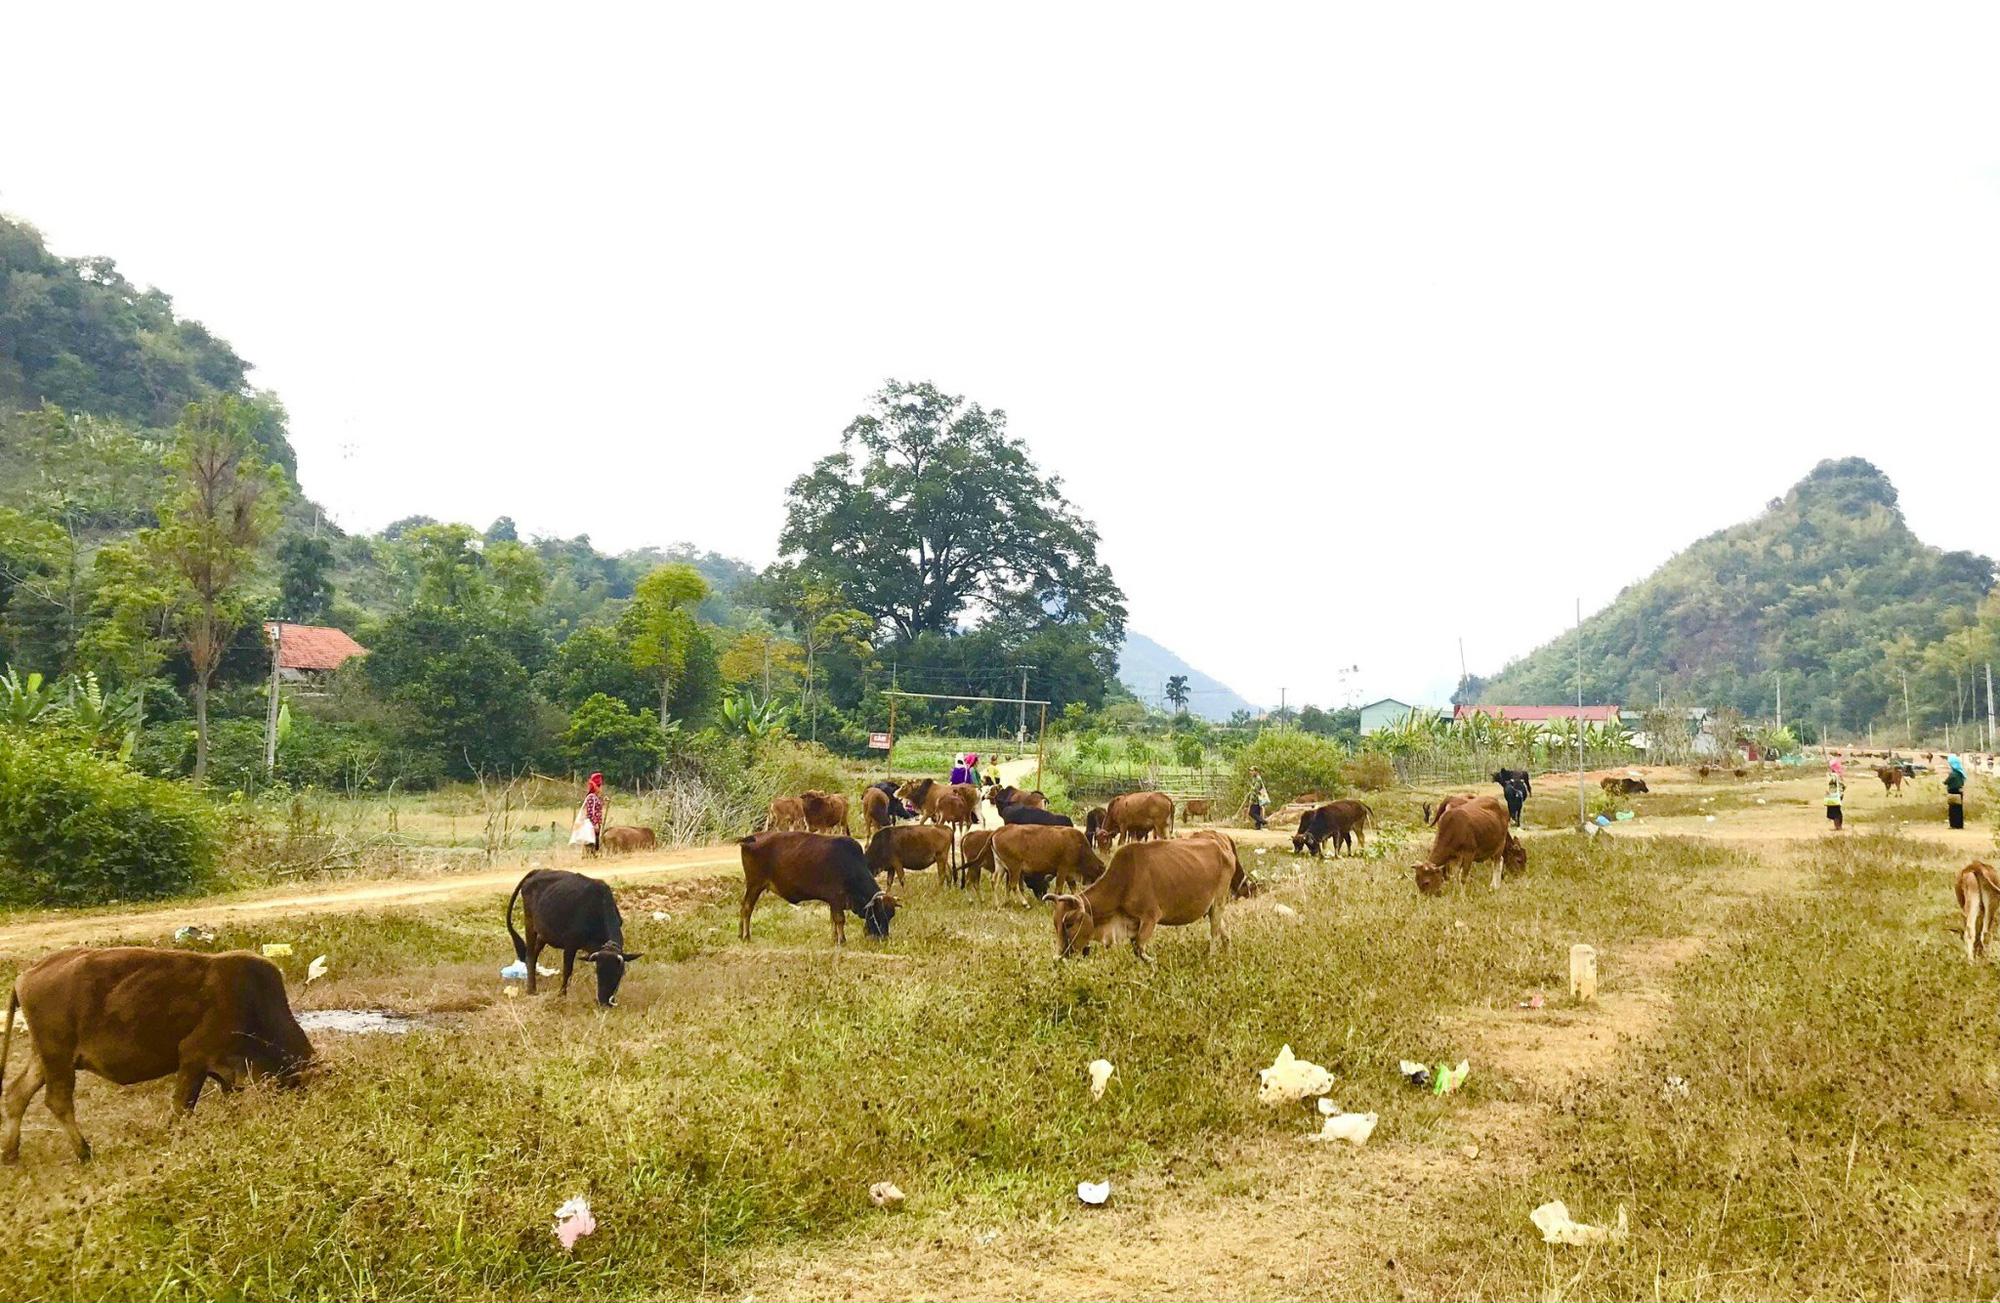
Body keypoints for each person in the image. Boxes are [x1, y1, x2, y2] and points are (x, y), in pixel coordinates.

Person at [580, 771, 607, 855]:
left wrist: (603, 801)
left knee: (595, 841)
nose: (601, 788)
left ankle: (593, 855)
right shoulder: (591, 797)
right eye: (600, 786)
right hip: (591, 824)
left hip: (596, 824)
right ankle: (589, 856)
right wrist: (595, 824)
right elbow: (591, 812)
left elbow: (597, 808)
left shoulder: (595, 797)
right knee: (591, 841)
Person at [1946, 754, 1967, 830]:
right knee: (1959, 809)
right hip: (1959, 792)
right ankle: (1959, 825)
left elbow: (1946, 782)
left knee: (1952, 809)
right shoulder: (1961, 773)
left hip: (1952, 792)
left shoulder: (1953, 774)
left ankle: (1953, 825)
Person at [1824, 761, 1845, 832]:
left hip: (1836, 795)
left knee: (1836, 810)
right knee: (1834, 809)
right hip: (1833, 795)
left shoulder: (1836, 776)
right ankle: (1837, 826)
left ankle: (1838, 826)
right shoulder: (1836, 775)